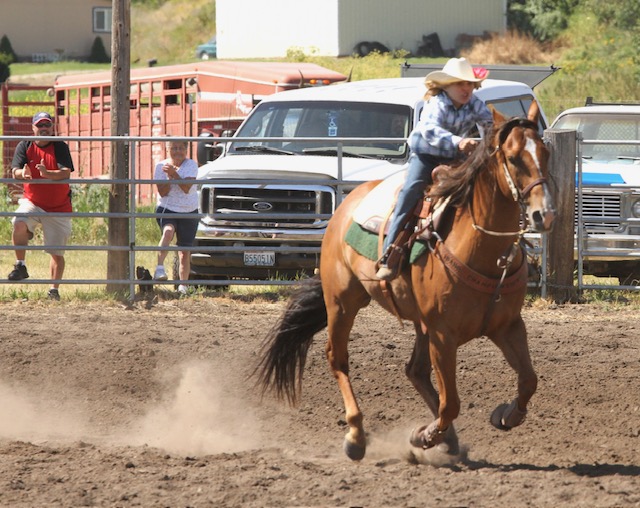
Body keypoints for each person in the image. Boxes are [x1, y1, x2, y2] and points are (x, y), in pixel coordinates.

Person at [376, 58, 493, 280]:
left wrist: (492, 143)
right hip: (426, 156)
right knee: (410, 191)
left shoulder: (475, 104)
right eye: (460, 84)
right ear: (446, 86)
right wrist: (458, 142)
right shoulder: (437, 103)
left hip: (455, 158)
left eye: (469, 84)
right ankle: (389, 253)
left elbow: (489, 125)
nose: (465, 89)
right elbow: (429, 129)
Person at [8, 111, 75, 301]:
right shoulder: (25, 145)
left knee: (56, 252)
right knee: (18, 222)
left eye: (47, 125)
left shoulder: (60, 146)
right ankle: (20, 265)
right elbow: (15, 171)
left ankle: (53, 290)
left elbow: (65, 173)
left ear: (52, 128)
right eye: (40, 125)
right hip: (33, 202)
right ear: (33, 128)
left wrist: (47, 174)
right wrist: (23, 174)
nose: (44, 129)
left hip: (59, 206)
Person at [153, 139, 199, 296]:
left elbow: (186, 188)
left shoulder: (191, 165)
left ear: (186, 149)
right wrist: (170, 176)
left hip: (189, 209)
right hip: (168, 207)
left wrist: (174, 174)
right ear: (167, 150)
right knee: (168, 232)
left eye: (180, 148)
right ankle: (159, 268)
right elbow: (163, 192)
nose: (177, 151)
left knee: (184, 250)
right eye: (174, 148)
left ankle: (183, 287)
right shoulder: (160, 166)